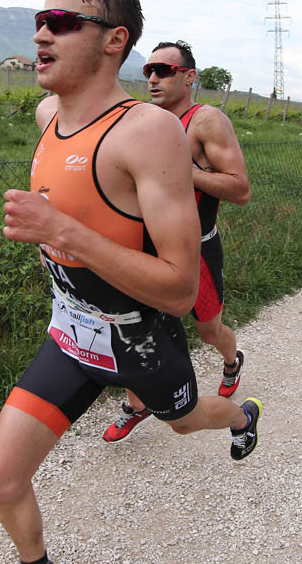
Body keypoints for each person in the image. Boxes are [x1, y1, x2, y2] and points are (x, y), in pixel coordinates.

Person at [0, 0, 263, 564]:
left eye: (63, 22)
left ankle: (242, 415)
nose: (42, 32)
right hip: (71, 336)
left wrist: (63, 231)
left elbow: (178, 285)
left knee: (187, 419)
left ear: (114, 41)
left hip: (140, 336)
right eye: (40, 20)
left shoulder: (147, 133)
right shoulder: (47, 113)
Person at [102, 39, 253, 443]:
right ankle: (138, 404)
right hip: (146, 250)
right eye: (149, 70)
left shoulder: (206, 121)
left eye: (165, 70)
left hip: (196, 249)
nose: (153, 77)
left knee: (208, 331)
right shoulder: (143, 119)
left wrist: (184, 170)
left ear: (189, 77)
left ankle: (231, 359)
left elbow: (240, 190)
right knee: (135, 330)